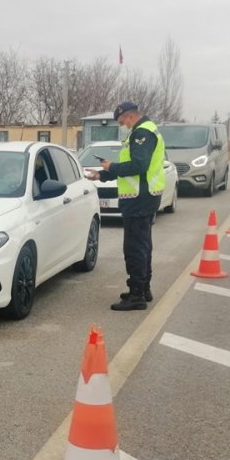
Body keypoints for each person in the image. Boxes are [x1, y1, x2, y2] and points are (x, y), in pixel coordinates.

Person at [84, 101, 165, 311]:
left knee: (135, 248)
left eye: (122, 121)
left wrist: (112, 166)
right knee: (143, 245)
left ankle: (136, 294)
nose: (122, 125)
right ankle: (143, 288)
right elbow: (131, 166)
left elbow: (139, 166)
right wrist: (102, 174)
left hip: (139, 197)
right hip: (144, 196)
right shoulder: (144, 131)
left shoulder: (142, 134)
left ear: (130, 116)